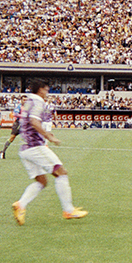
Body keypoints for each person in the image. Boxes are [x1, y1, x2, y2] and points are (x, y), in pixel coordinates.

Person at [11, 80, 87, 225]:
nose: (47, 93)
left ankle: (20, 205)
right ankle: (69, 210)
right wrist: (49, 136)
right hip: (35, 147)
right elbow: (34, 121)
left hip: (24, 148)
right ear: (40, 90)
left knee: (42, 181)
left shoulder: (28, 101)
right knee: (61, 173)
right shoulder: (38, 101)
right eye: (46, 90)